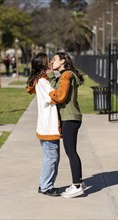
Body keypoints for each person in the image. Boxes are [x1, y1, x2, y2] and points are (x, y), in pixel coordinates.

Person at [48, 52, 86, 199]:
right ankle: (78, 183)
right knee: (72, 151)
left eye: (54, 59)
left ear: (63, 61)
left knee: (71, 152)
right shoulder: (65, 75)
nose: (52, 62)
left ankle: (76, 186)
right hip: (71, 117)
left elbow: (60, 95)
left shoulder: (66, 75)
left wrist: (51, 78)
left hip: (70, 118)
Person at [26, 52, 61, 197]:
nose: (51, 62)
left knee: (52, 157)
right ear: (43, 65)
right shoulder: (43, 82)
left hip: (47, 126)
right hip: (48, 126)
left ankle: (46, 184)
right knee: (51, 158)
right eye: (48, 61)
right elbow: (56, 96)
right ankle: (46, 186)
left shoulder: (42, 80)